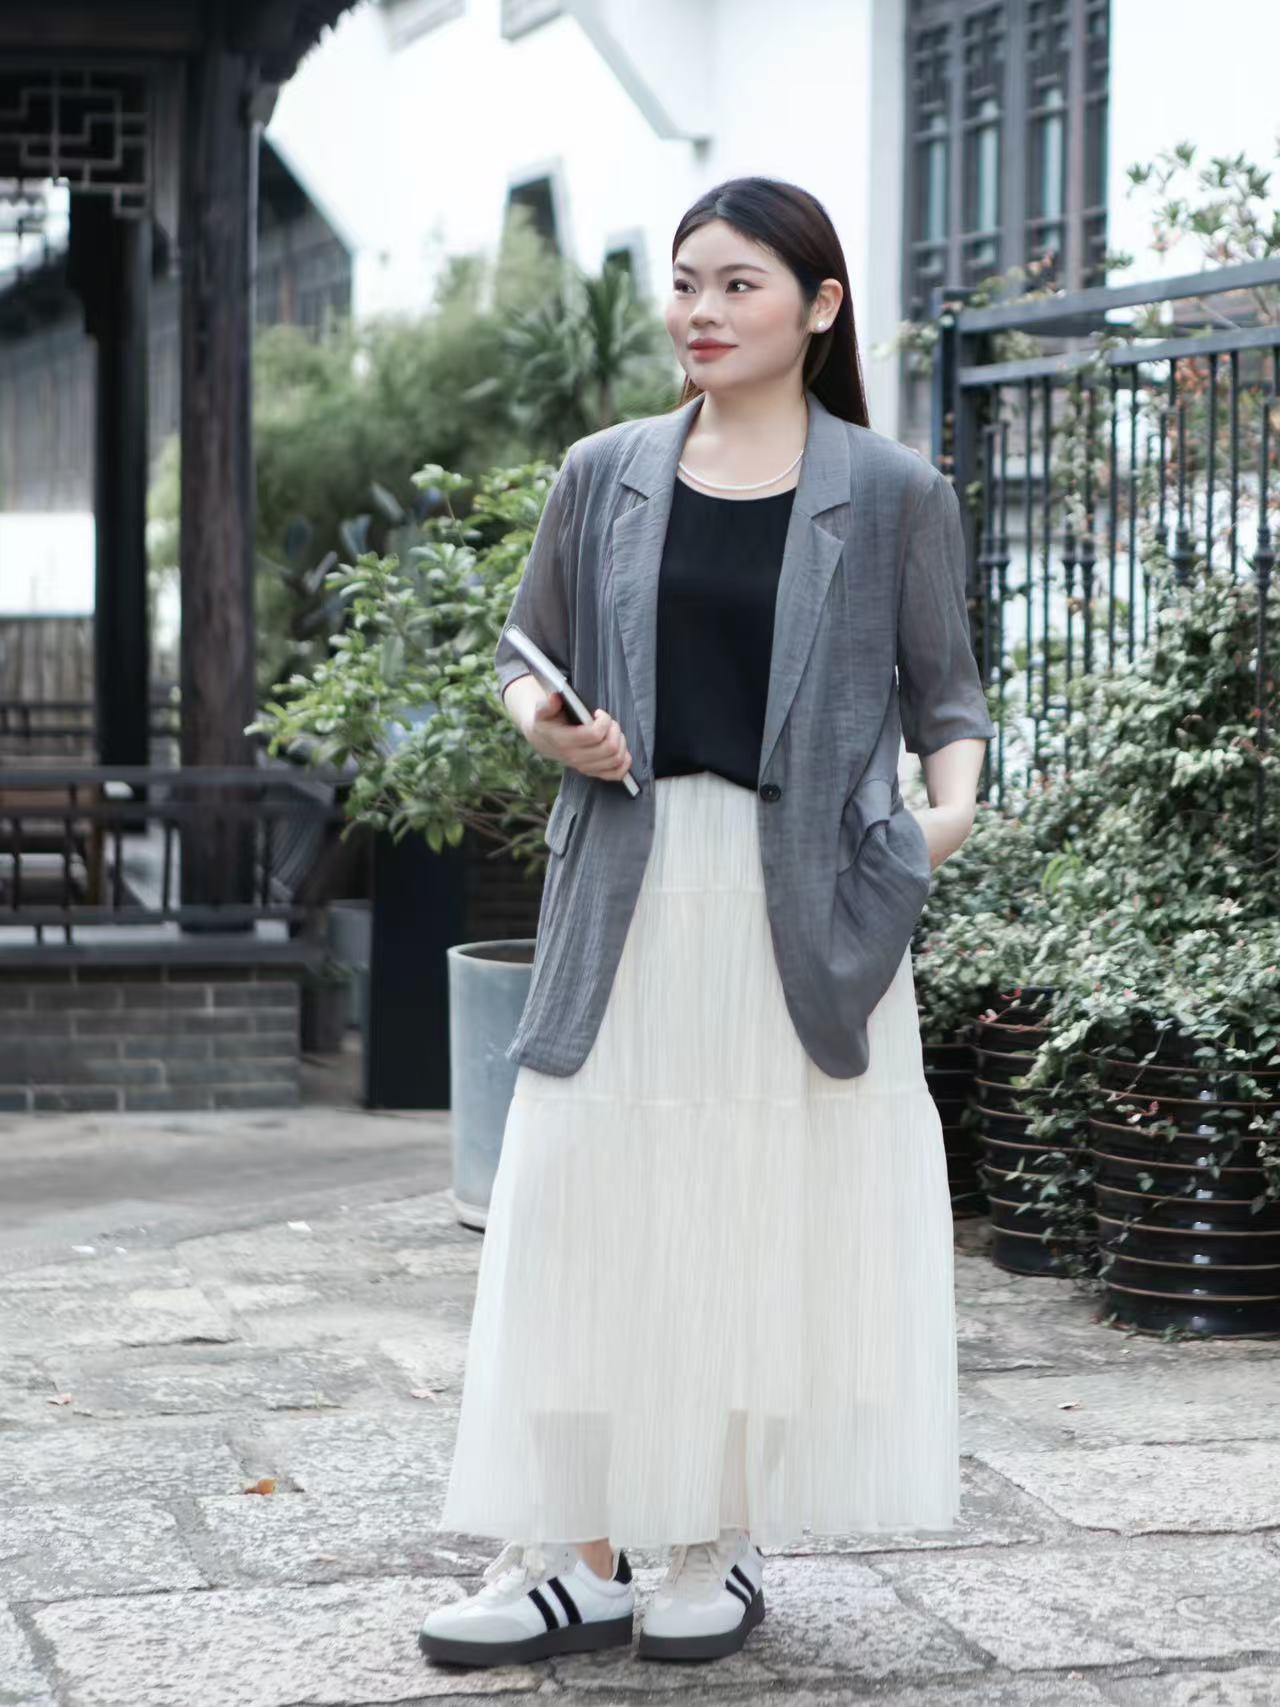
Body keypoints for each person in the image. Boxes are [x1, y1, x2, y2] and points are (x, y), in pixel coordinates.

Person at [419, 176, 996, 1671]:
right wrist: (547, 725)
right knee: (581, 1210)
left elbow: (949, 701)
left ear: (820, 306)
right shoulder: (604, 469)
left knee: (754, 1218)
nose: (703, 312)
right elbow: (526, 652)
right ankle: (570, 1553)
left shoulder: (891, 492)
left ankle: (711, 1542)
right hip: (627, 888)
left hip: (801, 903)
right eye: (687, 283)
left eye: (740, 285)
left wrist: (939, 825)